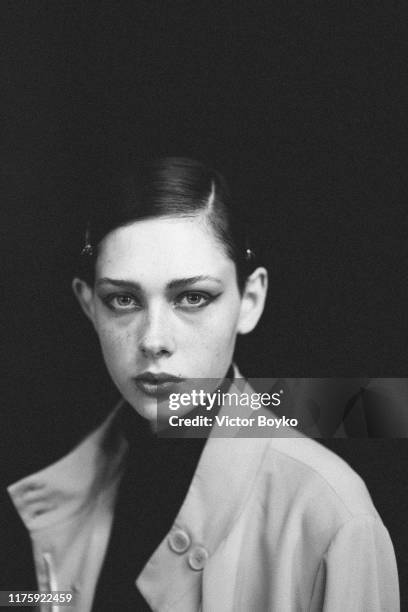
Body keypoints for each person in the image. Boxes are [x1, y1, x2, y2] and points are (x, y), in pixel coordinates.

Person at [2, 158, 399, 611]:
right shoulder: (46, 487)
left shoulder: (333, 515)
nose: (153, 341)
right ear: (89, 305)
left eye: (192, 297)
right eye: (123, 299)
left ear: (250, 301)